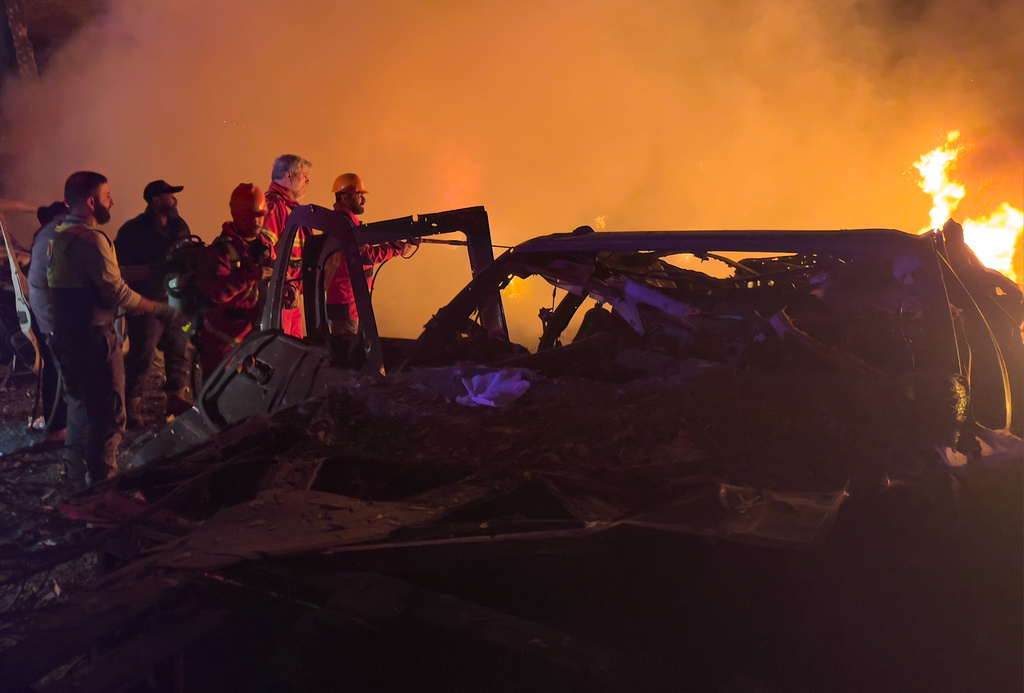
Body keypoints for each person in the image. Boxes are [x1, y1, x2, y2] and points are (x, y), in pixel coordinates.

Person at [47, 171, 186, 486]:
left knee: (79, 409)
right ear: (93, 201)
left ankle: (75, 478)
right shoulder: (93, 239)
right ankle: (102, 485)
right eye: (108, 195)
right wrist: (159, 308)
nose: (113, 201)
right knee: (109, 417)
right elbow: (116, 292)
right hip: (95, 338)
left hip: (67, 337)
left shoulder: (60, 235)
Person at [114, 179, 194, 425]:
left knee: (179, 349)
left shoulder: (179, 226)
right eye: (170, 195)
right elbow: (122, 271)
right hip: (145, 303)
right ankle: (130, 406)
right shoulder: (133, 231)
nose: (175, 199)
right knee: (142, 354)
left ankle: (175, 398)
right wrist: (157, 269)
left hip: (176, 301)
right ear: (155, 200)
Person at [195, 184, 274, 376]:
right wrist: (251, 275)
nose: (257, 222)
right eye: (251, 216)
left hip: (253, 339)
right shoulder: (220, 251)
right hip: (222, 344)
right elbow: (217, 293)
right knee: (219, 397)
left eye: (260, 216)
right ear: (237, 215)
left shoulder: (263, 246)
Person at [324, 173, 419, 334]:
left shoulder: (340, 222)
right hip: (346, 304)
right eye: (359, 194)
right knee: (346, 353)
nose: (363, 199)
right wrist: (396, 248)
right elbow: (364, 256)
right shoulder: (344, 225)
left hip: (345, 302)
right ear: (344, 197)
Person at [27, 201, 69, 441]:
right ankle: (56, 427)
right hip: (51, 316)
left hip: (47, 314)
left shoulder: (45, 235)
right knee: (56, 370)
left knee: (57, 370)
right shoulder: (52, 237)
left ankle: (58, 424)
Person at [260, 155, 312, 338]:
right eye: (304, 175)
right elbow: (263, 250)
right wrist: (283, 281)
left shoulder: (290, 208)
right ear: (289, 175)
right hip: (280, 296)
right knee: (283, 350)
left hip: (290, 294)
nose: (308, 180)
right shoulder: (275, 206)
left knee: (294, 348)